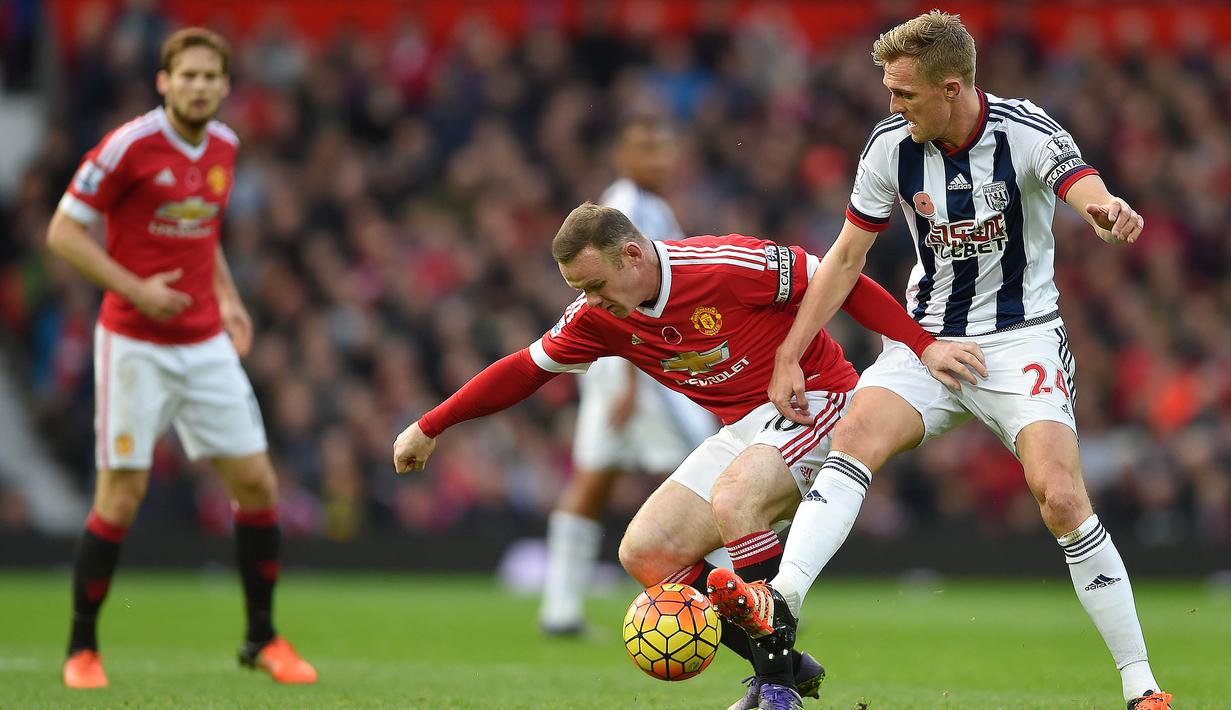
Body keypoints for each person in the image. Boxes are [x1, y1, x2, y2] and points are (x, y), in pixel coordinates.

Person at [704, 11, 1170, 710]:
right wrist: (788, 355)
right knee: (854, 439)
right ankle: (781, 598)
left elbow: (1083, 185)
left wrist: (1106, 211)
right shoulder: (891, 145)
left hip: (1019, 341)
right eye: (889, 93)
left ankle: (1141, 687)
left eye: (904, 94)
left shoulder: (1026, 130)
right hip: (924, 341)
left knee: (1061, 498)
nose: (892, 107)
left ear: (950, 88)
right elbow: (845, 258)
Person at [393, 202, 983, 709]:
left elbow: (841, 278)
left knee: (736, 501)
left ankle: (775, 688)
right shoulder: (600, 317)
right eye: (580, 291)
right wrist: (430, 425)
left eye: (596, 285)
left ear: (631, 255)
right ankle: (783, 660)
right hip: (742, 428)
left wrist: (922, 345)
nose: (590, 301)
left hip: (816, 398)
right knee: (646, 551)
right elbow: (524, 370)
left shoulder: (725, 266)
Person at [48, 28, 316, 689]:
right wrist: (137, 288)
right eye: (186, 75)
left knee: (256, 485)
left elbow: (202, 228)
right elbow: (62, 230)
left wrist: (226, 295)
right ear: (164, 82)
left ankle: (261, 638)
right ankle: (81, 650)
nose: (198, 86)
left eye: (210, 77)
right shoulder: (129, 145)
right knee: (121, 497)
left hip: (203, 341)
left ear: (225, 86)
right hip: (135, 342)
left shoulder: (224, 145)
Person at [539, 116, 718, 636]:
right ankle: (737, 600)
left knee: (594, 478)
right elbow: (638, 304)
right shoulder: (630, 210)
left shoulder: (644, 204)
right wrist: (635, 384)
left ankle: (559, 610)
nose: (659, 160)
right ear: (622, 155)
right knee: (708, 472)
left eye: (664, 148)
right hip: (640, 368)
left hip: (618, 368)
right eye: (646, 149)